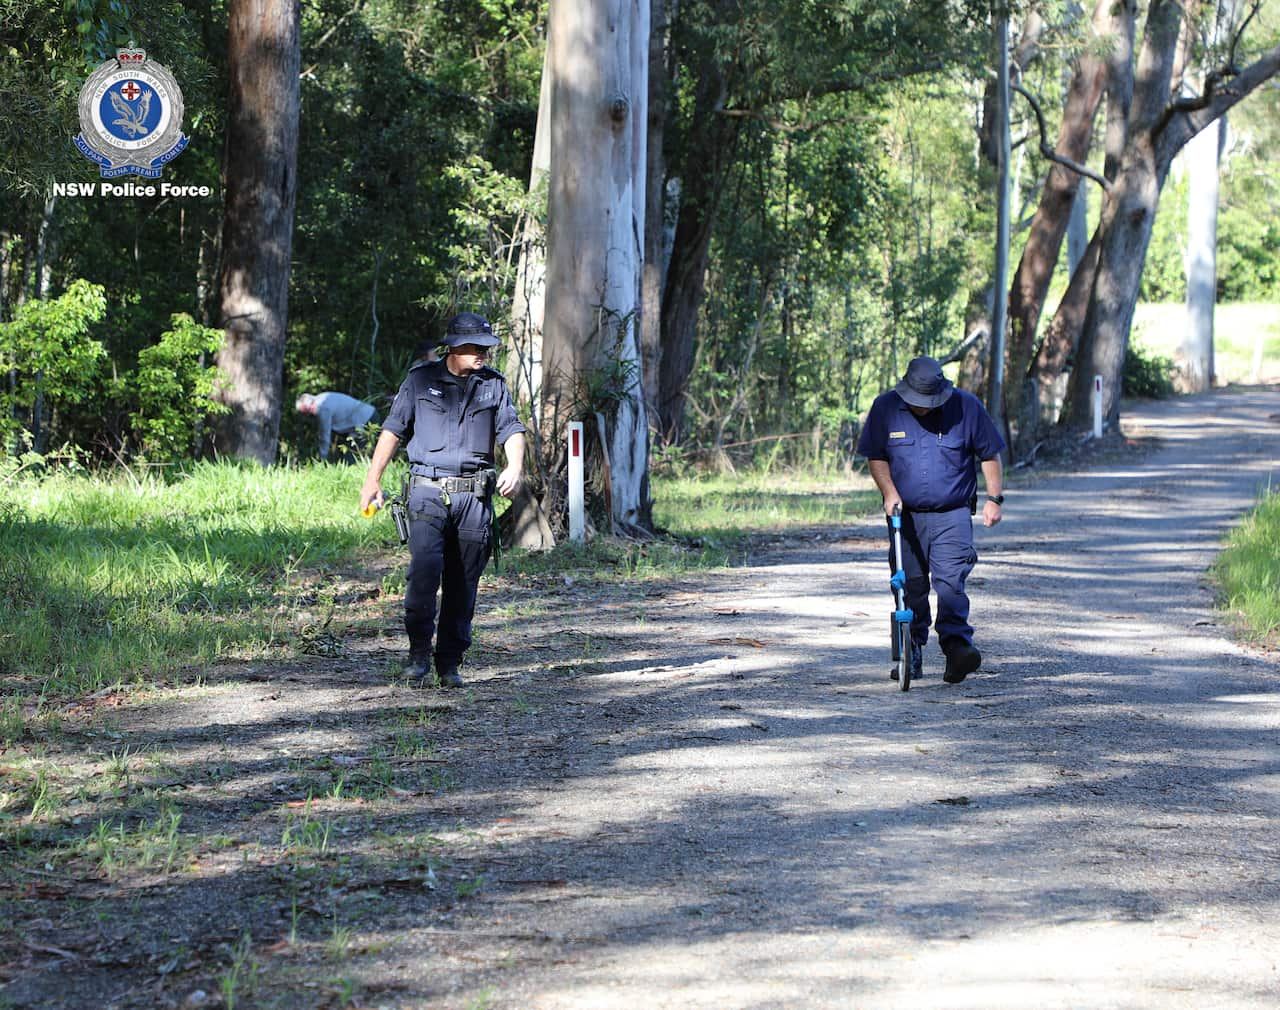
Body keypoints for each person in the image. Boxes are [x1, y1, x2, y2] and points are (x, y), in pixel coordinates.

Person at [359, 312, 527, 688]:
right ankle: (418, 655)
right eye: (475, 347)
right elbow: (393, 430)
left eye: (487, 346)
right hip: (426, 493)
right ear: (453, 347)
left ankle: (449, 663)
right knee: (423, 575)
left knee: (463, 584)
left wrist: (514, 466)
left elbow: (512, 428)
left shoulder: (493, 385)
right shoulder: (420, 381)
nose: (484, 353)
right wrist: (373, 479)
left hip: (473, 497)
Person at [856, 356, 1006, 684]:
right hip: (905, 516)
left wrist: (994, 499)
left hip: (952, 513)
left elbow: (989, 453)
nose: (922, 407)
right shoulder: (885, 407)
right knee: (910, 584)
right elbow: (876, 456)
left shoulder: (966, 407)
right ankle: (911, 649)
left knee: (951, 582)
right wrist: (889, 492)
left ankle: (956, 648)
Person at [296, 391, 377, 461]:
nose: (310, 413)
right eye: (306, 412)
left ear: (311, 403)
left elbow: (325, 435)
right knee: (346, 452)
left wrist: (322, 459)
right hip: (367, 416)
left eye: (307, 410)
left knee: (349, 457)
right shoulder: (322, 397)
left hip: (366, 420)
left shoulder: (323, 408)